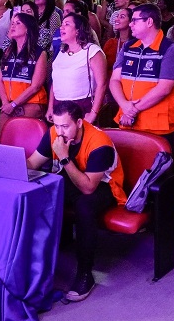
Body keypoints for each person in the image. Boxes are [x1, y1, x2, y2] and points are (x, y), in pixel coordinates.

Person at [27, 100, 126, 302]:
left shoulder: (100, 143)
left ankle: (85, 273)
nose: (59, 131)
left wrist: (64, 158)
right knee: (44, 190)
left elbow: (88, 187)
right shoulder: (54, 132)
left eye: (65, 126)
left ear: (79, 123)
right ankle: (38, 260)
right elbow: (32, 163)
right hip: (76, 177)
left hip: (104, 187)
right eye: (56, 125)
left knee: (84, 205)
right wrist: (11, 162)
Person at [110, 3, 174, 146]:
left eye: (135, 20)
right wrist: (125, 106)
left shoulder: (171, 49)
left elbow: (164, 89)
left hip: (156, 126)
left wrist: (132, 111)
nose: (130, 25)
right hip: (127, 121)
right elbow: (114, 80)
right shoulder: (128, 47)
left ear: (149, 21)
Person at [48, 13, 106, 125]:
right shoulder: (61, 52)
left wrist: (93, 113)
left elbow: (102, 84)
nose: (61, 27)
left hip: (82, 106)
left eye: (67, 24)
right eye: (62, 24)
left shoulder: (92, 51)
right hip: (59, 106)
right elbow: (55, 83)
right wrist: (50, 107)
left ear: (78, 30)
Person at [0, 12, 48, 134]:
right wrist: (5, 103)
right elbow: (0, 80)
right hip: (8, 104)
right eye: (12, 23)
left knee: (22, 139)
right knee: (3, 138)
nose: (12, 26)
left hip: (31, 104)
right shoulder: (8, 52)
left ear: (27, 29)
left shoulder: (39, 53)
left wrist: (14, 105)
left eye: (18, 23)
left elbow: (36, 86)